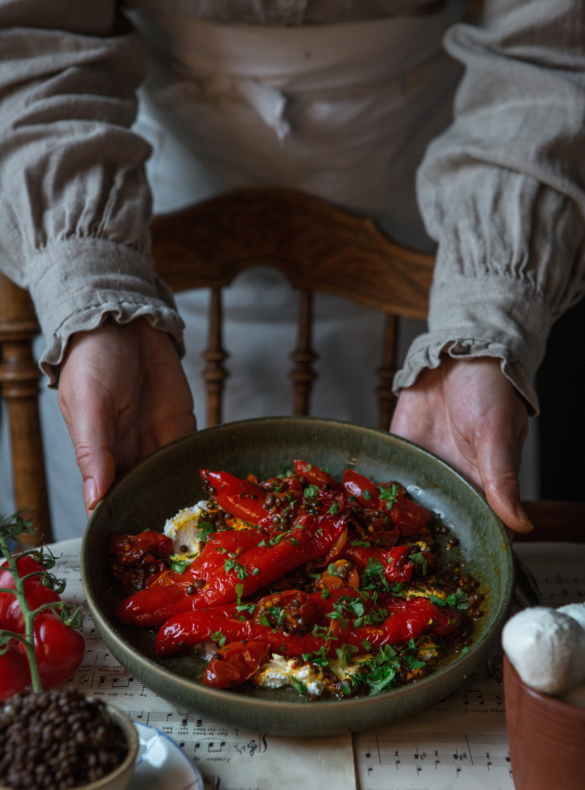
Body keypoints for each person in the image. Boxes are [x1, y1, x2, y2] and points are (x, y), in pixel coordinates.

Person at [1, 0, 584, 535]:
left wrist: (487, 315)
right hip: (125, 193)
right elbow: (33, 39)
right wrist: (92, 290)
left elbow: (547, 54)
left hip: (451, 200)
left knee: (419, 528)